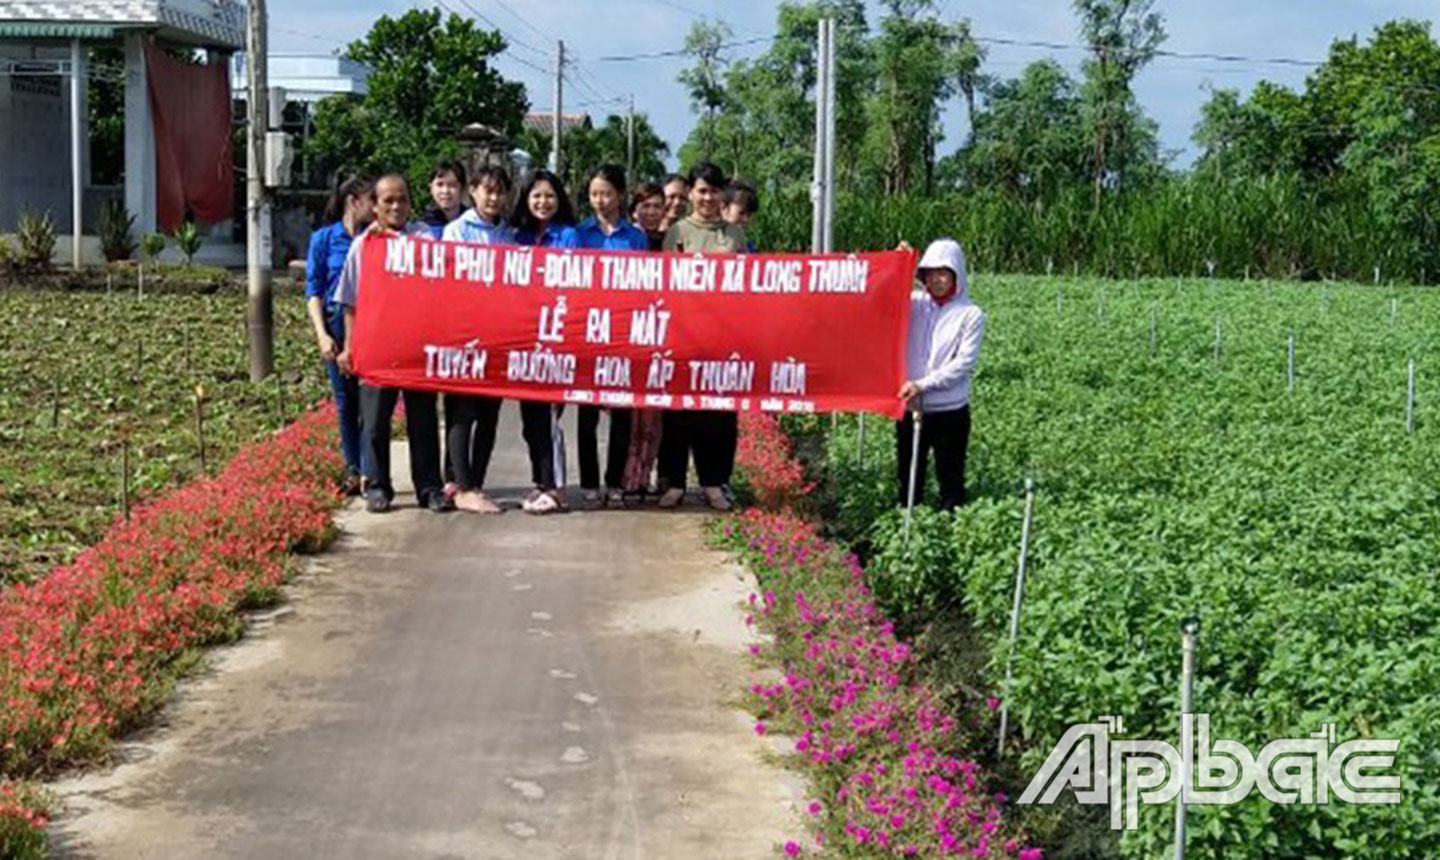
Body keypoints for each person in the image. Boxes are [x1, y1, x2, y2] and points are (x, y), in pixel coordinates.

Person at [334, 174, 451, 514]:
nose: (396, 206)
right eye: (388, 201)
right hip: (377, 348)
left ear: (411, 203)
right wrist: (350, 347)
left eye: (402, 199)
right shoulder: (364, 246)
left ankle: (429, 487)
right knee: (374, 421)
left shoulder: (426, 240)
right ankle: (378, 485)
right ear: (374, 206)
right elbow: (350, 302)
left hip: (416, 348)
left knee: (423, 420)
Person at [659, 161, 748, 511]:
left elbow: (748, 284)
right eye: (701, 190)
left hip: (723, 336)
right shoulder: (677, 232)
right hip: (683, 334)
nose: (707, 197)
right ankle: (675, 482)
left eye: (713, 191)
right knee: (679, 413)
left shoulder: (734, 235)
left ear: (722, 194)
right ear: (691, 193)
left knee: (719, 415)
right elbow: (664, 282)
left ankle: (714, 482)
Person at [438, 166, 515, 514]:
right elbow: (451, 283)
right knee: (461, 411)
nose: (493, 197)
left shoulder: (507, 234)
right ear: (473, 192)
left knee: (489, 414)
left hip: (496, 336)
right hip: (463, 335)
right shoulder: (456, 231)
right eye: (488, 190)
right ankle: (461, 485)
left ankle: (476, 483)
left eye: (499, 191)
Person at [575, 165, 649, 508]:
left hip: (624, 334)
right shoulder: (580, 233)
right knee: (587, 413)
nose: (600, 200)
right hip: (588, 333)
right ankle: (590, 482)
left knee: (622, 413)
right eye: (594, 194)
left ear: (620, 194)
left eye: (606, 193)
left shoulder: (636, 238)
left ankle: (615, 482)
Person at [896, 238, 985, 511]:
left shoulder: (970, 314)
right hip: (911, 407)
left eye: (943, 273)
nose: (936, 280)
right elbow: (883, 295)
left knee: (950, 478)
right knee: (909, 477)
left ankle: (949, 532)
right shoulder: (913, 303)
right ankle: (907, 527)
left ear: (956, 274)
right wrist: (899, 264)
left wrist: (922, 385)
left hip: (950, 411)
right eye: (929, 273)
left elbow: (964, 363)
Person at [510, 169, 579, 515]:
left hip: (557, 337)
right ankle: (541, 483)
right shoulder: (518, 236)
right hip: (525, 338)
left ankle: (557, 489)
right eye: (536, 195)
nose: (542, 202)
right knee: (530, 419)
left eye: (549, 195)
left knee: (549, 417)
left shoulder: (569, 235)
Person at [304, 172, 373, 496]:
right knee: (346, 403)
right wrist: (322, 334)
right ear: (353, 202)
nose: (376, 208)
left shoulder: (377, 238)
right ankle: (353, 468)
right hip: (334, 324)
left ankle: (370, 468)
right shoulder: (323, 239)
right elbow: (313, 291)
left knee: (371, 402)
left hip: (371, 325)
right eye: (371, 200)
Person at [420, 160, 468, 238]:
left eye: (452, 185)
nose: (445, 191)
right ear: (431, 188)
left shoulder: (471, 223)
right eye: (440, 184)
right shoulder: (423, 226)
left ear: (462, 188)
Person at [722, 179, 759, 250]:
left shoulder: (748, 244)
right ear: (723, 207)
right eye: (741, 213)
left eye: (749, 215)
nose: (746, 219)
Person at [631, 180, 667, 250]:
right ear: (634, 211)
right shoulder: (624, 240)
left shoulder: (669, 240)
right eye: (646, 206)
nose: (651, 212)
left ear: (664, 211)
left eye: (657, 206)